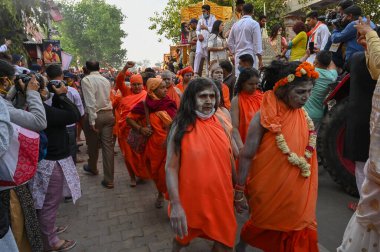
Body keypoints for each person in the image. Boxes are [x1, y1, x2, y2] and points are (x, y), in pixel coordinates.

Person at [234, 61, 319, 251]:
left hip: (298, 189)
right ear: (283, 89)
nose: (306, 97)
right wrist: (239, 190)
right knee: (262, 224)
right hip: (269, 188)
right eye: (300, 92)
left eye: (309, 91)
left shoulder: (303, 114)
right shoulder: (263, 115)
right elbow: (247, 155)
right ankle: (241, 246)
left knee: (297, 227)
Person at [166, 77, 237, 252]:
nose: (208, 101)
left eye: (212, 96)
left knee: (224, 243)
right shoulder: (180, 126)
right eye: (202, 96)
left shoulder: (221, 120)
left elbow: (230, 157)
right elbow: (171, 167)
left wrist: (239, 189)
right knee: (183, 240)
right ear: (191, 99)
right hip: (192, 199)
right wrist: (176, 205)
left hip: (221, 196)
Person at [337, 17, 380, 251]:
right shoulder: (362, 57)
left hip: (362, 118)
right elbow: (376, 70)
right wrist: (369, 41)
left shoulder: (354, 58)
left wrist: (370, 36)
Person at [29, 67, 81, 251]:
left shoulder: (36, 107)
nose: (45, 89)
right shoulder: (41, 111)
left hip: (48, 158)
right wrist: (63, 95)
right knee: (49, 202)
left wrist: (56, 97)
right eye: (40, 86)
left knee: (46, 200)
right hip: (50, 161)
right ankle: (50, 241)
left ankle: (48, 230)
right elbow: (73, 114)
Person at [0, 59, 46, 252]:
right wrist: (33, 94)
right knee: (20, 234)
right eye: (10, 80)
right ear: (4, 81)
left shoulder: (5, 103)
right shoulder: (2, 106)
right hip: (9, 186)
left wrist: (17, 94)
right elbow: (39, 121)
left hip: (9, 180)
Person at [127, 78, 177, 208]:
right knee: (157, 174)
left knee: (170, 173)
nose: (166, 90)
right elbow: (129, 119)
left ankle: (173, 201)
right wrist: (141, 129)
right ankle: (161, 193)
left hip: (170, 146)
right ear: (152, 90)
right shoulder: (145, 105)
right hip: (153, 148)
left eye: (166, 87)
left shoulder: (169, 103)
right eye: (162, 88)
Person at [81, 61, 115, 189]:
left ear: (86, 69)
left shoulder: (86, 80)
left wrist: (92, 121)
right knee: (108, 147)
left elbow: (90, 102)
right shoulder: (105, 80)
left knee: (92, 144)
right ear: (99, 68)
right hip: (108, 114)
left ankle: (93, 167)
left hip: (95, 115)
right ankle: (109, 180)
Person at [45, 65, 85, 164]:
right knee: (71, 151)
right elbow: (80, 113)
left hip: (48, 127)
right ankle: (71, 171)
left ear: (47, 76)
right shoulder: (72, 91)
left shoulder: (42, 92)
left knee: (52, 152)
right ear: (62, 75)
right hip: (70, 127)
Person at [118, 73, 150, 187]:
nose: (136, 87)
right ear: (130, 85)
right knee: (129, 156)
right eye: (134, 85)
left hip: (142, 131)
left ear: (143, 85)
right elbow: (118, 81)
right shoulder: (126, 93)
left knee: (141, 155)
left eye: (139, 84)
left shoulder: (147, 95)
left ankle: (141, 174)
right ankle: (132, 177)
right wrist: (125, 68)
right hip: (127, 130)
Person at [303, 50, 338, 129]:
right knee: (312, 139)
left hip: (304, 112)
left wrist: (307, 55)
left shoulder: (310, 71)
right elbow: (333, 67)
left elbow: (296, 65)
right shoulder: (332, 76)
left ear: (316, 61)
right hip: (318, 115)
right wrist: (327, 57)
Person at [231, 68, 263, 151]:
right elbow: (234, 127)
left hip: (262, 142)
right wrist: (241, 148)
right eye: (250, 84)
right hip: (245, 142)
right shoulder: (236, 100)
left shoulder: (262, 96)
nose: (254, 87)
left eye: (256, 83)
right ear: (242, 83)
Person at [228, 3, 263, 76]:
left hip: (239, 56)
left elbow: (229, 42)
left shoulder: (235, 25)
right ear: (253, 12)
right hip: (250, 56)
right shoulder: (254, 24)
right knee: (250, 77)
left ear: (242, 12)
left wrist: (235, 52)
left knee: (239, 78)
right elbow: (257, 44)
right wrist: (260, 60)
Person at [194, 4, 216, 76]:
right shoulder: (200, 19)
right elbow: (197, 30)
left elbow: (214, 29)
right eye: (202, 11)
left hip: (209, 40)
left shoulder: (213, 18)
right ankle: (195, 73)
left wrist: (205, 27)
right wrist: (199, 34)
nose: (203, 13)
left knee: (207, 57)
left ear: (208, 11)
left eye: (204, 11)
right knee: (198, 54)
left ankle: (208, 74)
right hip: (201, 40)